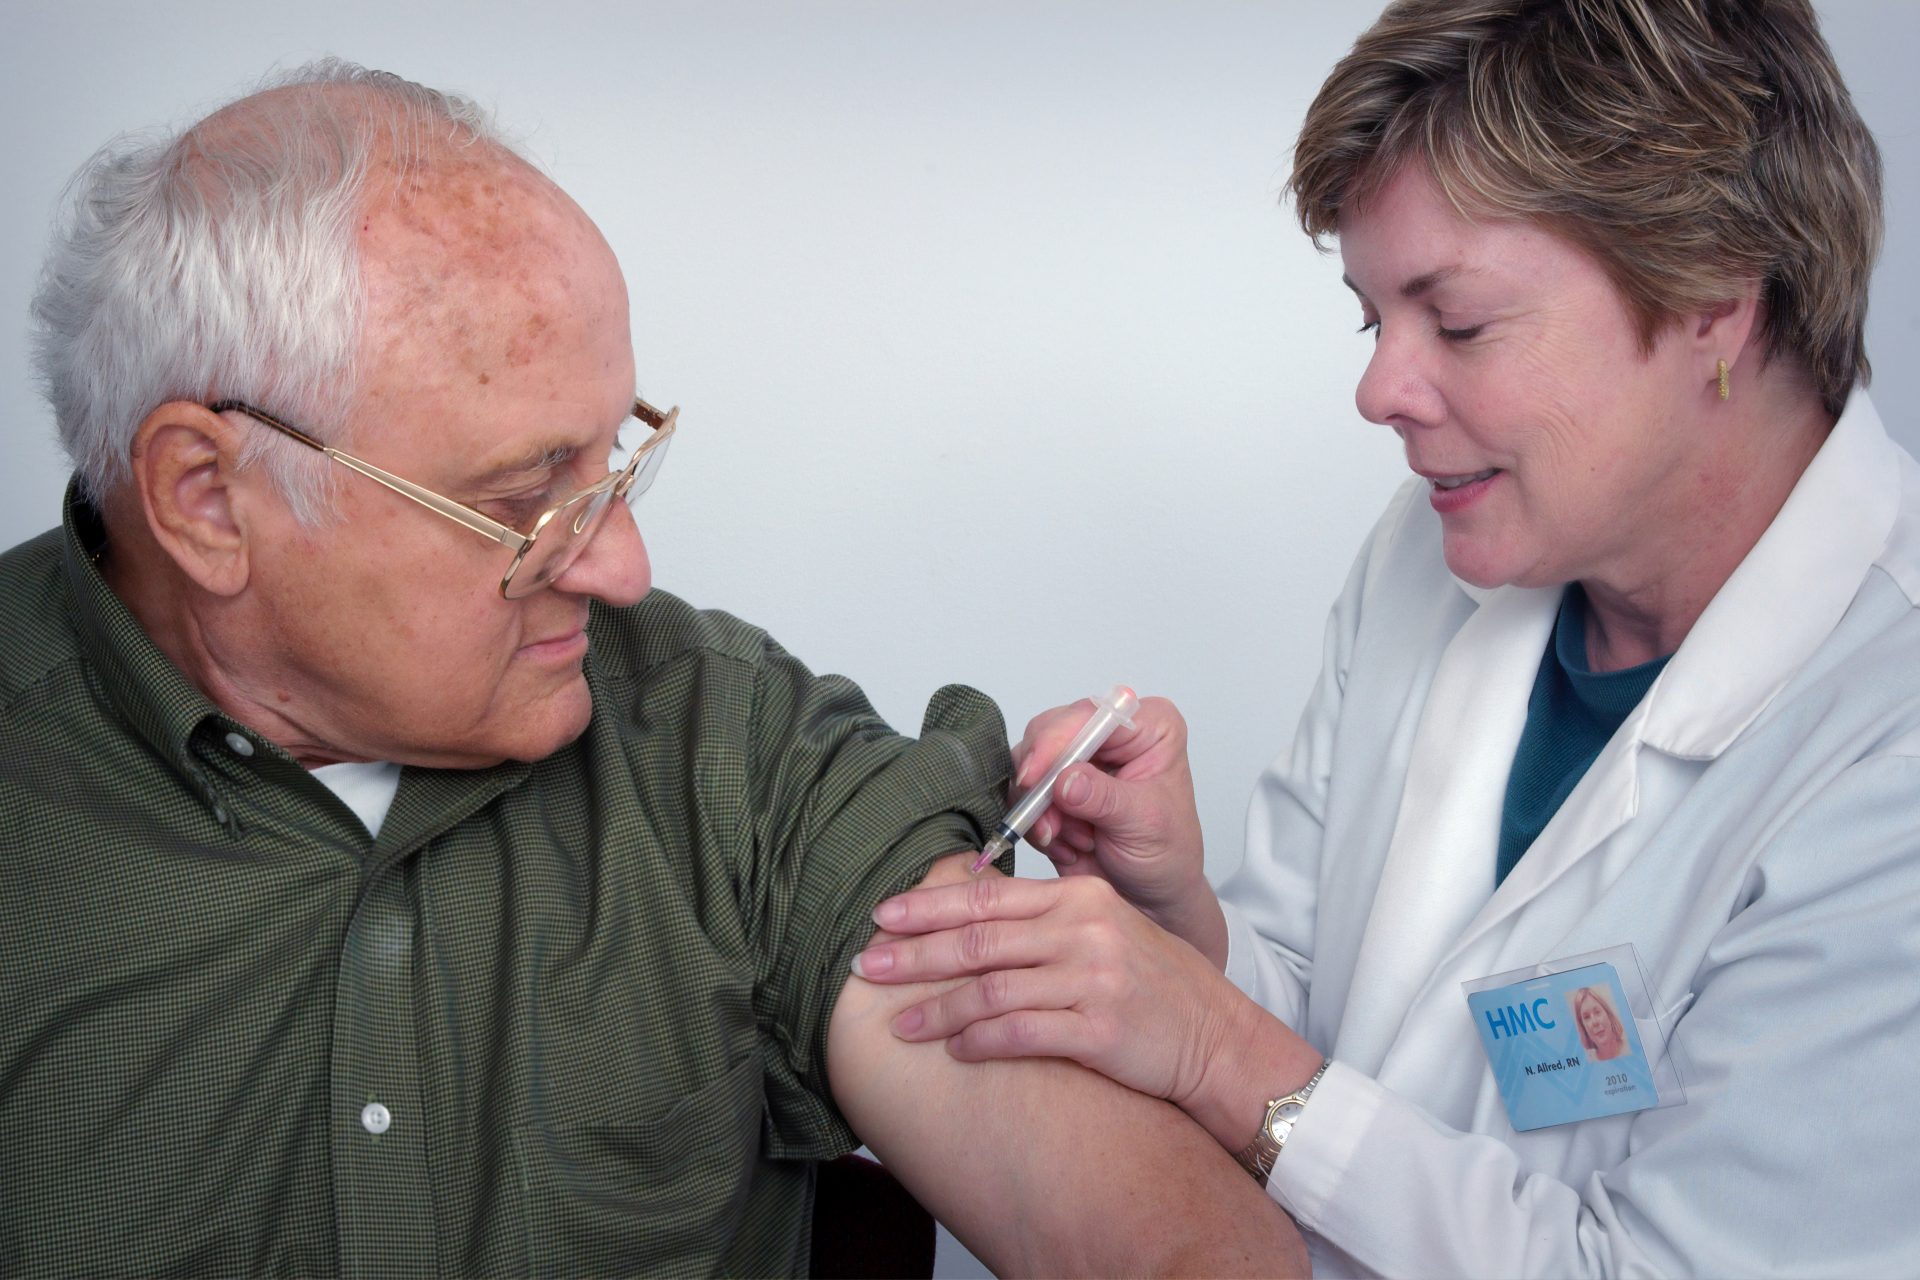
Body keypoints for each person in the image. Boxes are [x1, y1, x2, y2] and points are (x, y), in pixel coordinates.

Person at [0, 62, 1307, 1276]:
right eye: (525, 497)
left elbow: (1172, 1240)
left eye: (615, 455)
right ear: (208, 503)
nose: (622, 566)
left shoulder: (724, 748)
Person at [851, 0, 1920, 1274]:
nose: (1378, 391)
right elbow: (1335, 1032)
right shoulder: (1443, 546)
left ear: (1712, 301)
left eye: (1456, 323)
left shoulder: (1886, 754)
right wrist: (1178, 917)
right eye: (1373, 320)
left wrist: (1211, 1041)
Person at [1571, 988, 1626, 1063]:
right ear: (1583, 1027)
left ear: (1608, 1015)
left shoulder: (1629, 1048)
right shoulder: (1586, 1062)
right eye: (1587, 1017)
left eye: (1597, 1012)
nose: (1594, 1022)